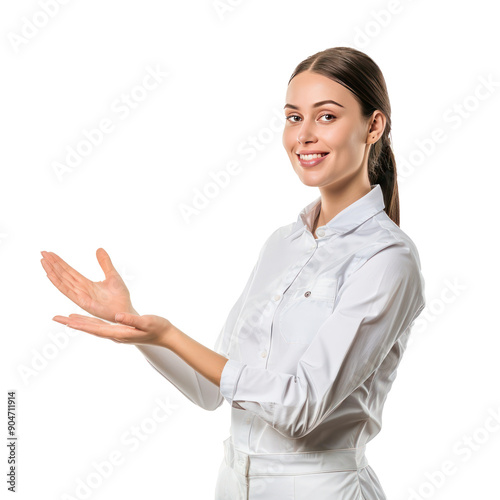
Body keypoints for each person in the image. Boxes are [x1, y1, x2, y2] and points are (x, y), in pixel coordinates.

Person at [40, 46, 426, 500]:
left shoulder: (387, 259)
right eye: (292, 116)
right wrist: (138, 325)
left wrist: (168, 334)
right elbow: (211, 387)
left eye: (326, 117)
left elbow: (299, 407)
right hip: (232, 483)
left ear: (373, 125)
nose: (303, 135)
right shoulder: (283, 244)